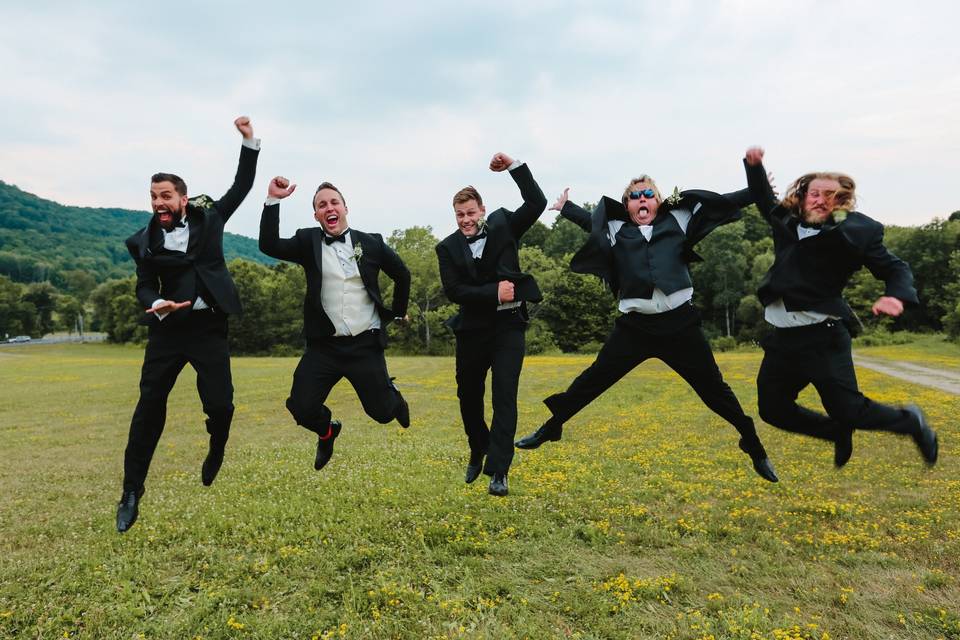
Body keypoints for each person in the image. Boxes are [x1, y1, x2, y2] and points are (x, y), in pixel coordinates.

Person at [515, 175, 779, 483]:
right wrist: (567, 208)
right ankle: (552, 426)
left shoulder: (678, 219)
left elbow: (724, 202)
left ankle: (753, 443)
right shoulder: (617, 230)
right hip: (635, 328)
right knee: (593, 379)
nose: (642, 199)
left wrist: (757, 189)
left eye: (648, 195)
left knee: (714, 390)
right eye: (635, 196)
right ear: (627, 206)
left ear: (658, 201)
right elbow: (592, 222)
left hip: (681, 325)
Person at [742, 146, 938, 467]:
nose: (821, 200)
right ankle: (835, 432)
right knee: (773, 409)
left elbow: (894, 268)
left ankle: (910, 422)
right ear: (802, 196)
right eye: (814, 193)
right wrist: (754, 167)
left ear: (841, 201)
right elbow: (764, 198)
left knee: (849, 409)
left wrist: (896, 295)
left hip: (822, 337)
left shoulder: (854, 233)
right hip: (782, 340)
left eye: (830, 196)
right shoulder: (786, 222)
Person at [117, 117, 260, 533]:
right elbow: (144, 285)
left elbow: (241, 186)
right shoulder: (140, 241)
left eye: (165, 196)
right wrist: (157, 302)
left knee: (220, 405)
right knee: (148, 409)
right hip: (167, 331)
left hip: (209, 327)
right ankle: (131, 491)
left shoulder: (210, 219)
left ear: (182, 198)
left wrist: (249, 141)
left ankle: (217, 446)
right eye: (152, 196)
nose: (158, 202)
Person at [259, 175, 410, 472]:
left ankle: (394, 397)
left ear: (345, 207)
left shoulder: (371, 243)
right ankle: (328, 431)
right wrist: (273, 200)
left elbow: (402, 274)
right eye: (321, 205)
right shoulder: (307, 241)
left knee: (381, 413)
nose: (329, 207)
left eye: (333, 202)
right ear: (316, 214)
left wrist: (395, 313)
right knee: (301, 407)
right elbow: (269, 244)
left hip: (365, 344)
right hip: (324, 347)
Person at [435, 152, 548, 496]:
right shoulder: (447, 248)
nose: (466, 220)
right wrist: (493, 292)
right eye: (460, 215)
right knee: (468, 396)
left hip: (508, 326)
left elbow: (537, 201)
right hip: (471, 330)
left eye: (471, 213)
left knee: (504, 396)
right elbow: (455, 291)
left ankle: (499, 469)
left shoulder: (504, 224)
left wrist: (514, 166)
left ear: (482, 210)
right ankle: (477, 446)